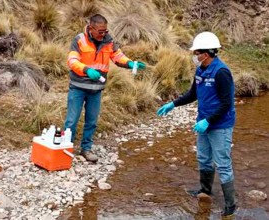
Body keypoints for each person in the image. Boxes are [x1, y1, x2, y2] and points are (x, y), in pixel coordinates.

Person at [157, 32, 237, 218]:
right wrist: (173, 104)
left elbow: (226, 103)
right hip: (203, 122)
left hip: (220, 125)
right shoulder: (200, 70)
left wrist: (208, 121)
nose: (194, 55)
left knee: (223, 164)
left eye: (197, 52)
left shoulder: (221, 72)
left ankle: (230, 205)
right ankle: (205, 190)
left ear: (207, 53)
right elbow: (193, 94)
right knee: (203, 158)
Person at [65, 14, 146, 162]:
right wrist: (86, 70)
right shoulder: (79, 40)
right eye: (100, 31)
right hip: (78, 87)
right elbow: (72, 60)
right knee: (72, 121)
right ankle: (65, 150)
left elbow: (118, 56)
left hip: (96, 89)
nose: (104, 34)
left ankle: (86, 149)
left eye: (105, 31)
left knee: (92, 121)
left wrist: (130, 63)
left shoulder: (109, 41)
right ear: (91, 28)